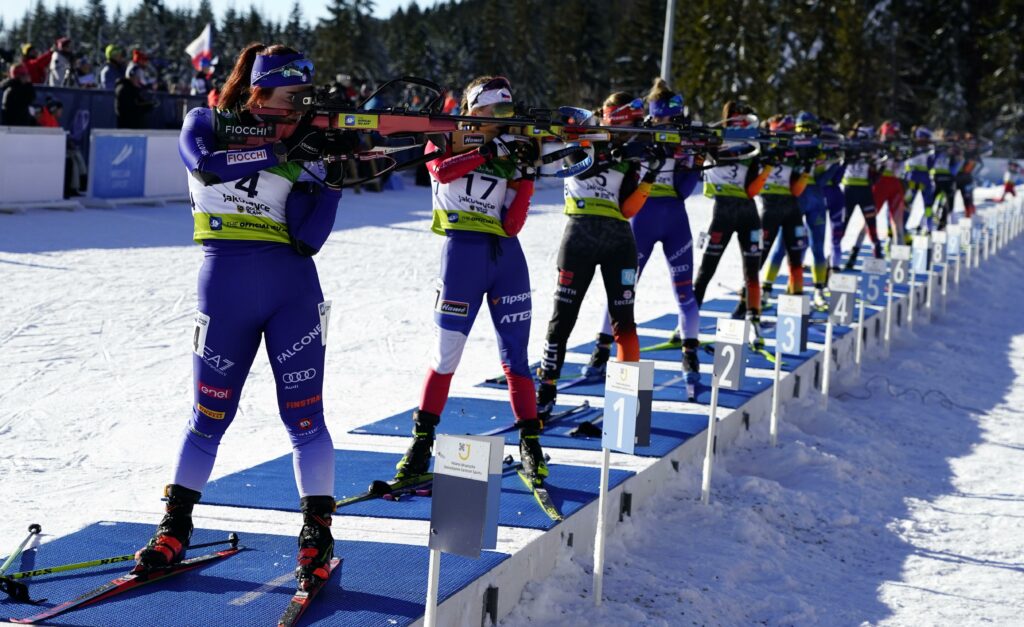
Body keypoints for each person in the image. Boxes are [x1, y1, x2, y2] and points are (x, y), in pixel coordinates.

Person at [134, 43, 358, 593]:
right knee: (207, 417)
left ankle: (316, 537)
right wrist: (282, 152)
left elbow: (310, 237)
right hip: (224, 287)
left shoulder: (305, 138)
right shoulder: (206, 121)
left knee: (305, 418)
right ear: (259, 89)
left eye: (306, 99)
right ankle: (175, 528)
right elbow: (205, 166)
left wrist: (329, 176)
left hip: (291, 289)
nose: (298, 109)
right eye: (289, 98)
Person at [391, 76, 546, 483]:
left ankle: (531, 443)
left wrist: (525, 174)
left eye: (504, 111)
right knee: (445, 355)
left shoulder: (509, 148)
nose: (498, 118)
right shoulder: (444, 136)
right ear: (471, 109)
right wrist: (487, 150)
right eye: (490, 110)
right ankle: (421, 441)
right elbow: (440, 172)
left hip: (506, 260)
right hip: (461, 258)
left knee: (516, 359)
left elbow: (512, 224)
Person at [536, 92, 657, 416]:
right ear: (617, 117)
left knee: (625, 323)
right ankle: (546, 388)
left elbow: (628, 207)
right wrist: (615, 152)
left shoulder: (635, 150)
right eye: (632, 122)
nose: (636, 128)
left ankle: (628, 402)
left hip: (618, 239)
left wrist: (650, 174)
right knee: (563, 317)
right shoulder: (582, 135)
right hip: (580, 236)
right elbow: (581, 169)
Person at [581, 78, 703, 399]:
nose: (666, 123)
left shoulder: (683, 138)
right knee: (623, 291)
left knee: (684, 292)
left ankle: (690, 357)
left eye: (671, 119)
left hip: (675, 220)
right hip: (641, 220)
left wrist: (694, 161)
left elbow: (683, 191)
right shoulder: (639, 132)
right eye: (661, 118)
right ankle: (601, 350)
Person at [694, 100, 772, 343]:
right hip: (723, 214)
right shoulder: (715, 140)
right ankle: (687, 323)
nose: (741, 123)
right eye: (737, 118)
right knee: (707, 269)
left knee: (752, 271)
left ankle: (754, 320)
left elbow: (751, 190)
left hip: (748, 214)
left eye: (745, 119)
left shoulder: (754, 144)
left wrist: (768, 165)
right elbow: (697, 158)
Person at [755, 114, 810, 310]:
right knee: (757, 256)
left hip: (790, 208)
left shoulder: (792, 152)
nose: (785, 138)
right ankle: (748, 302)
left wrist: (806, 170)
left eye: (788, 133)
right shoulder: (761, 147)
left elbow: (796, 189)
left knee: (796, 257)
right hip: (770, 208)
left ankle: (796, 303)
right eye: (781, 132)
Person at [839, 122, 884, 263]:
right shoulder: (848, 145)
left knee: (872, 225)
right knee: (842, 226)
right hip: (849, 191)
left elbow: (876, 174)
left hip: (864, 191)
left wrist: (878, 165)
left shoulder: (871, 150)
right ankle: (832, 261)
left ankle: (877, 259)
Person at [904, 126, 936, 232]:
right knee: (907, 203)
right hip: (913, 178)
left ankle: (928, 227)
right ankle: (902, 226)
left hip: (920, 178)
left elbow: (931, 163)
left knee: (927, 205)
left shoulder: (929, 148)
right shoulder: (911, 146)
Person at [115, 59, 157, 129]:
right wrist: (146, 107)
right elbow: (129, 109)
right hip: (127, 128)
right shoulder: (124, 89)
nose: (139, 79)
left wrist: (149, 105)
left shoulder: (134, 89)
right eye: (137, 76)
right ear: (131, 76)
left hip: (134, 127)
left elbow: (139, 103)